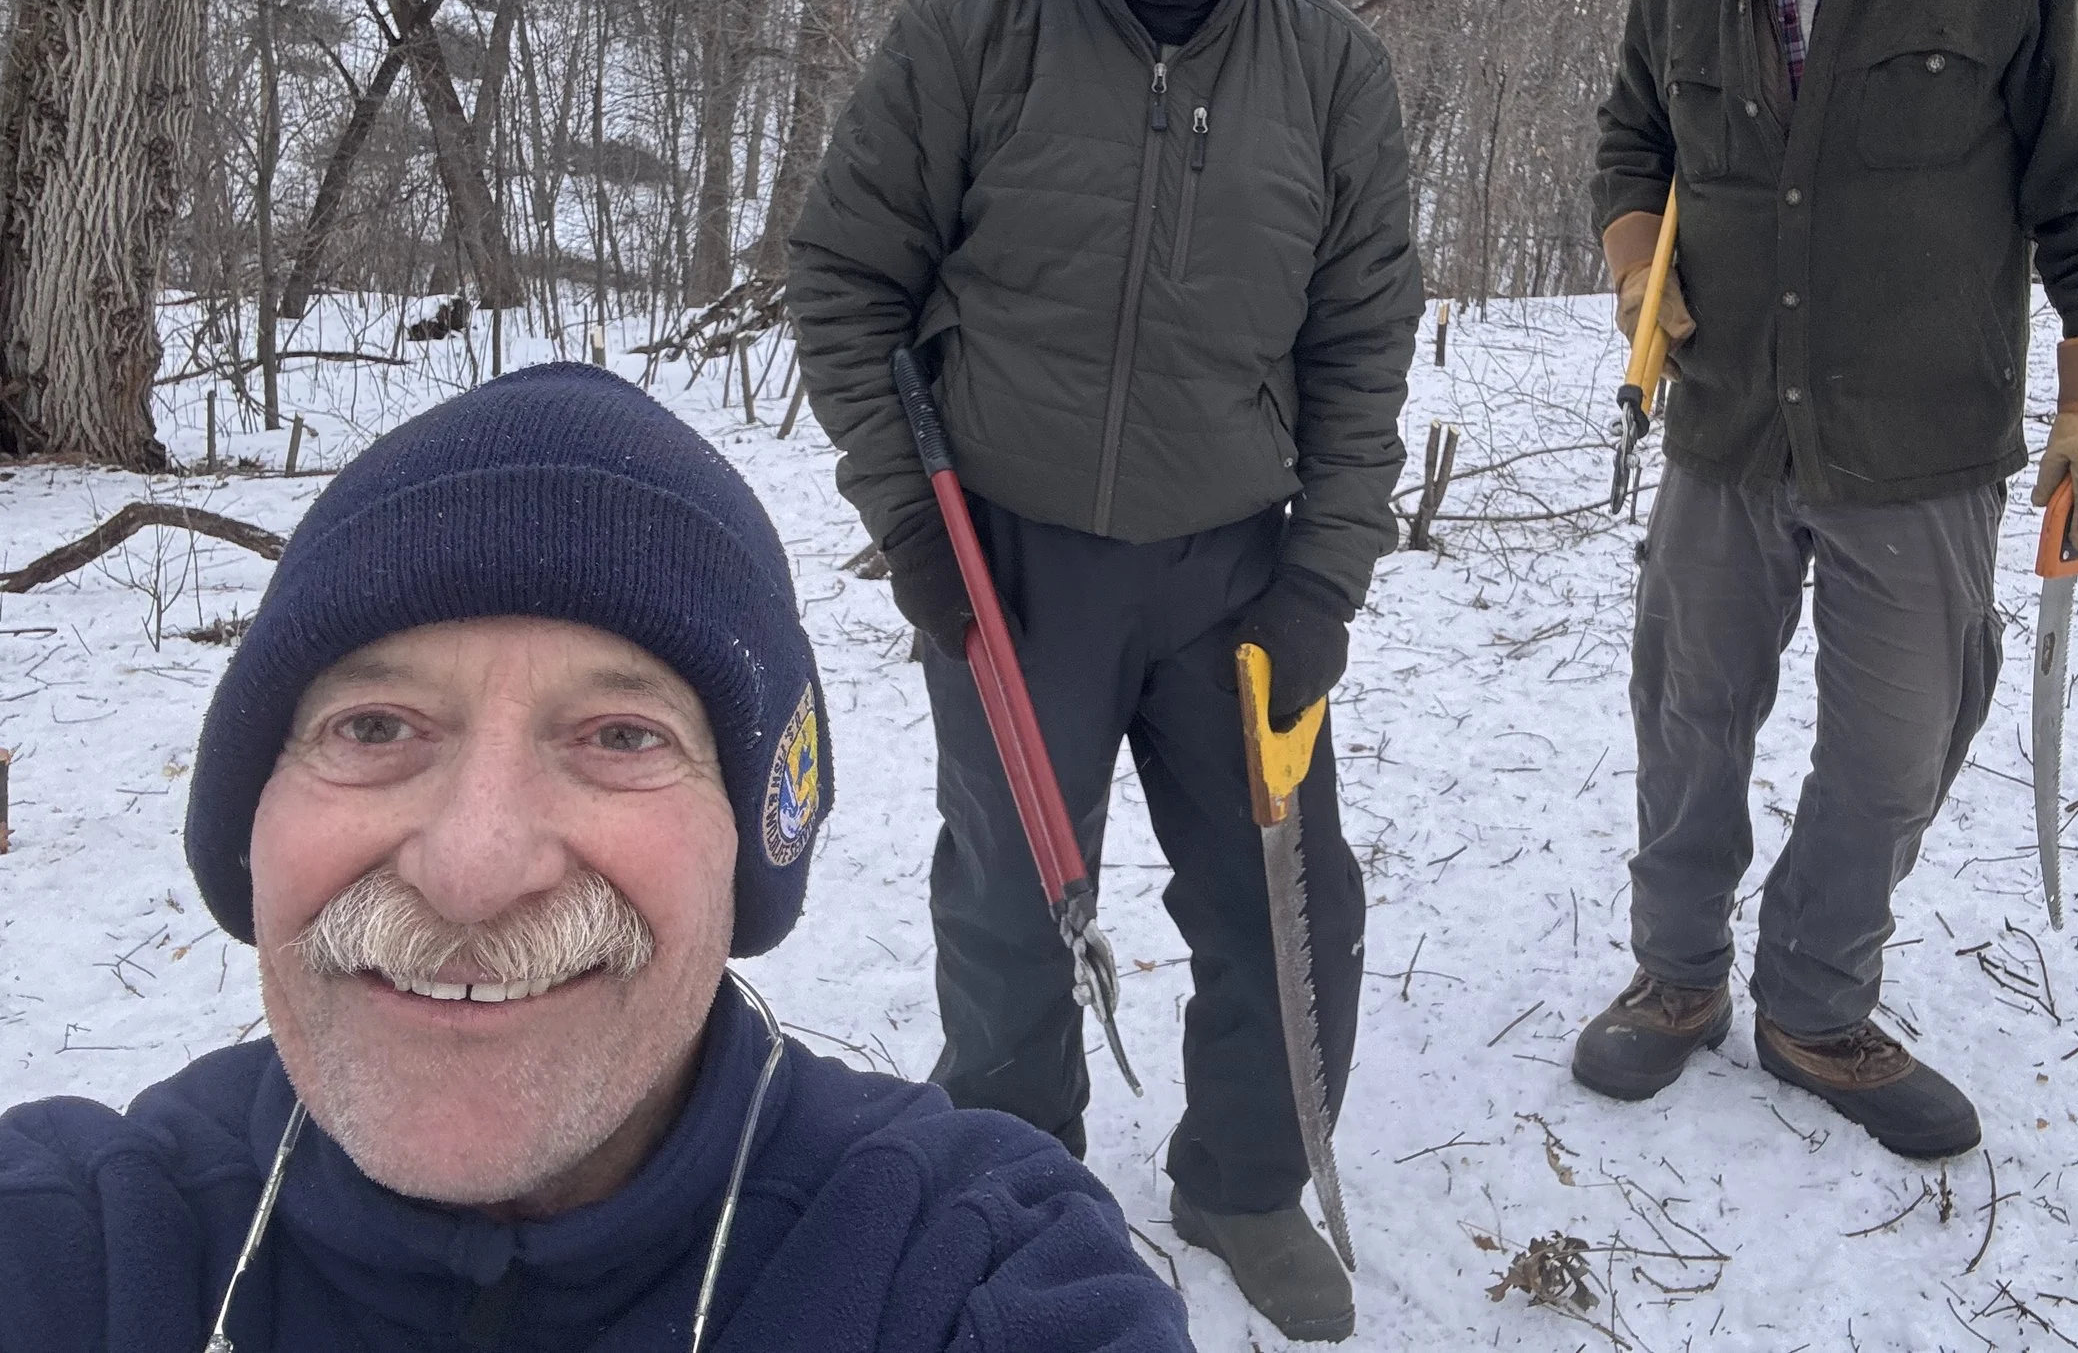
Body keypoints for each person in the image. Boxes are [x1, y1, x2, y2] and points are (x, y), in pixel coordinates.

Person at [0, 364, 1191, 1352]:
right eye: (373, 728)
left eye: (622, 737)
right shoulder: (68, 1249)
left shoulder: (964, 1270)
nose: (473, 867)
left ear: (747, 844)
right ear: (249, 819)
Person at [787, 0, 1420, 1342]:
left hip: (1233, 571)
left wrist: (1323, 584)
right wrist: (912, 521)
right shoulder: (970, 26)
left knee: (1285, 899)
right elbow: (844, 278)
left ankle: (1239, 1177)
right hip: (1013, 568)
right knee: (1009, 898)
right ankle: (1012, 1180)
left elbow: (1363, 353)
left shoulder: (1332, 73)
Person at [1574, 0, 2078, 1158]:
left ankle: (1815, 1001)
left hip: (1920, 439)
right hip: (1725, 426)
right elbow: (1631, 134)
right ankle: (1677, 974)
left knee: (1899, 743)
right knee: (1689, 716)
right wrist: (1639, 249)